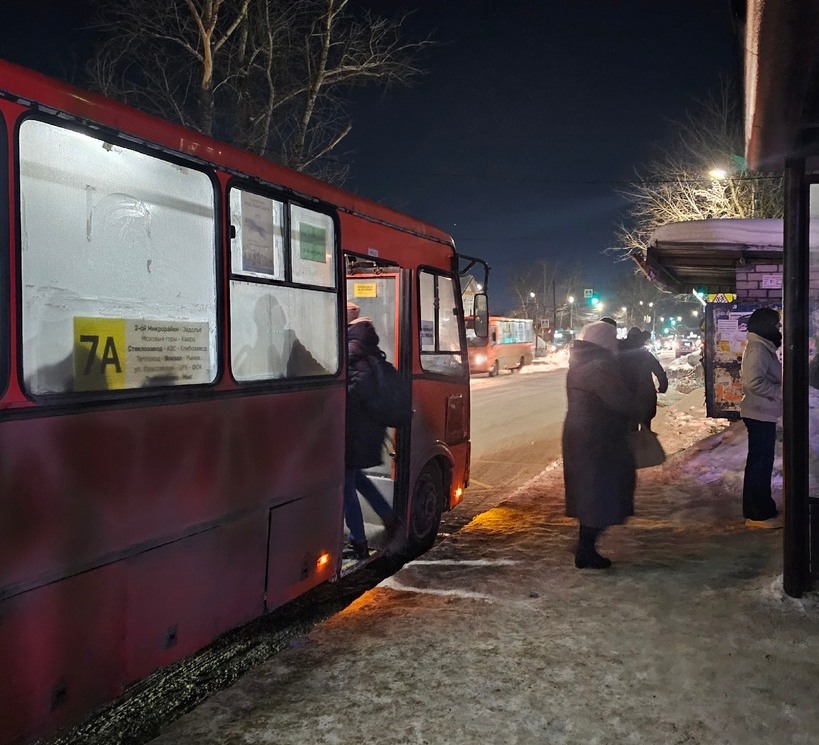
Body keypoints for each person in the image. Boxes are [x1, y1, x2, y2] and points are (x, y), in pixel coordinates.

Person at [562, 320, 640, 569]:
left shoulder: (580, 362)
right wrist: (637, 405)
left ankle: (586, 544)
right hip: (599, 438)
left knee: (592, 492)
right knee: (602, 493)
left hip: (581, 435)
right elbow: (622, 402)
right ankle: (586, 549)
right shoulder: (600, 366)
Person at [344, 302, 401, 559]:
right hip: (364, 429)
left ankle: (358, 542)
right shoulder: (364, 346)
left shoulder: (353, 349)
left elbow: (358, 388)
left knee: (344, 485)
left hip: (358, 431)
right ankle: (388, 516)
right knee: (355, 478)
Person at [739, 307, 782, 529]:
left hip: (763, 412)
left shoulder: (763, 346)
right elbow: (753, 383)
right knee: (759, 464)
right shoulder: (758, 349)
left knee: (762, 463)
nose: (779, 329)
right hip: (759, 413)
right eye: (775, 324)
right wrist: (780, 392)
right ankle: (757, 514)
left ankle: (762, 507)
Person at [619, 326, 668, 431]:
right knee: (646, 426)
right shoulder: (646, 355)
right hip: (646, 396)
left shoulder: (622, 355)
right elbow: (659, 371)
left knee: (631, 428)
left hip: (628, 397)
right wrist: (662, 386)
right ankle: (645, 444)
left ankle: (635, 445)